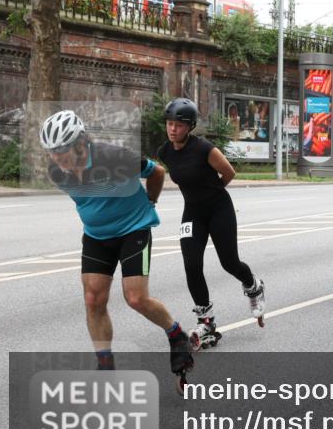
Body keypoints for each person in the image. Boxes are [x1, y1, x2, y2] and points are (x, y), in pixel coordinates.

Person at [39, 110, 193, 385]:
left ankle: (176, 334)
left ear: (80, 142)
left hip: (134, 229)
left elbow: (157, 171)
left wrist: (151, 200)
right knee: (92, 299)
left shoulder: (114, 158)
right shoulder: (56, 172)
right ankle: (105, 365)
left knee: (136, 299)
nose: (56, 157)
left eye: (61, 150)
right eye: (51, 151)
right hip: (97, 236)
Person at [156, 98, 265, 351]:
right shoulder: (165, 152)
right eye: (169, 124)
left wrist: (211, 193)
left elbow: (229, 173)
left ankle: (253, 285)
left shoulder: (205, 148)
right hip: (192, 213)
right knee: (191, 265)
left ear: (190, 126)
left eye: (179, 125)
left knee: (229, 262)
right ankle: (205, 320)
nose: (173, 129)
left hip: (218, 209)